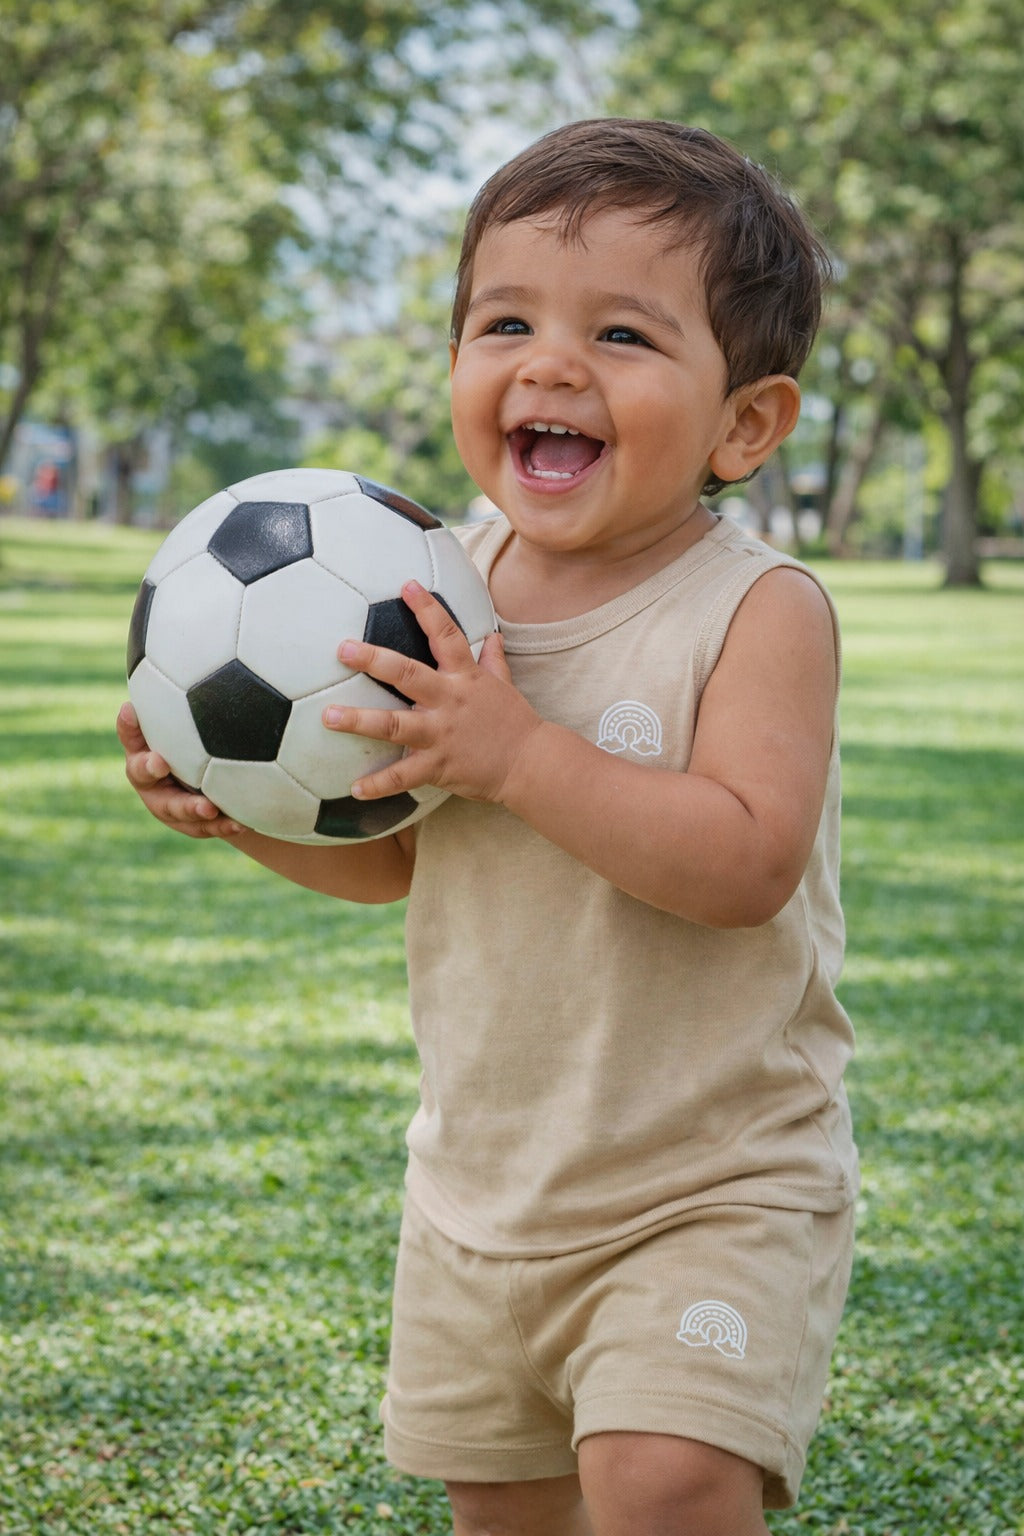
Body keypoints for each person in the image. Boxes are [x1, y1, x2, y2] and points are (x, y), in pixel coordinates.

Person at [118, 118, 858, 1535]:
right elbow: (396, 855)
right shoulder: (429, 588)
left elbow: (747, 865)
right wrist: (234, 811)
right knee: (501, 1507)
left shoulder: (760, 610)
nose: (551, 364)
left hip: (710, 1188)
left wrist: (521, 755)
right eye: (505, 322)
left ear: (747, 424)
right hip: (478, 1196)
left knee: (665, 1480)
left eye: (623, 335)